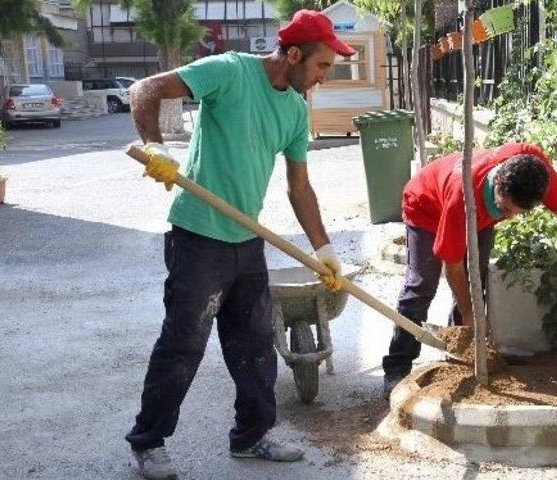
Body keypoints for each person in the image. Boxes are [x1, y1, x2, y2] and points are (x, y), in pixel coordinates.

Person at [124, 10, 354, 480]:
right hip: (198, 236)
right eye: (321, 67)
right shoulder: (228, 72)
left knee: (254, 344)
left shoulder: (292, 109)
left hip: (246, 238)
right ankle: (149, 442)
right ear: (292, 54)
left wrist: (323, 248)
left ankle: (252, 435)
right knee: (184, 342)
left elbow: (299, 187)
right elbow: (143, 89)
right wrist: (155, 148)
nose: (323, 78)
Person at [381, 143, 557, 397]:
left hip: (478, 213)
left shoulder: (534, 171)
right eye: (505, 209)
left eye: (517, 212)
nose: (510, 217)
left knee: (475, 280)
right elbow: (452, 266)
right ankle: (397, 367)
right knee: (421, 286)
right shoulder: (462, 195)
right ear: (498, 183)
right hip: (426, 206)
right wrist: (471, 312)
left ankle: (462, 353)